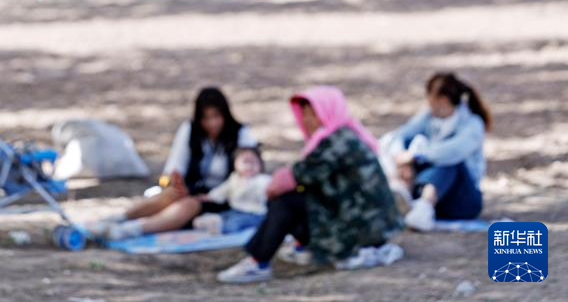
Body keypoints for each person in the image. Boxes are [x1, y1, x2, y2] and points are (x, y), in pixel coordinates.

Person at [217, 85, 401, 284]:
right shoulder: (345, 136)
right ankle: (297, 247)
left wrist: (278, 187)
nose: (307, 120)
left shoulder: (336, 142)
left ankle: (257, 261)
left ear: (329, 112)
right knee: (296, 197)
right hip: (367, 228)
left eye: (313, 114)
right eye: (304, 114)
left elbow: (293, 178)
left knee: (284, 202)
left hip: (361, 234)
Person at [101, 87, 257, 240]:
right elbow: (172, 170)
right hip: (193, 189)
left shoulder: (240, 134)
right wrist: (173, 182)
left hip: (225, 196)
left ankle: (131, 230)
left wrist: (214, 195)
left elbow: (250, 171)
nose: (212, 123)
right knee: (170, 195)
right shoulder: (190, 130)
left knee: (189, 204)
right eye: (206, 118)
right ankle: (116, 219)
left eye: (216, 116)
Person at [381, 71, 491, 232]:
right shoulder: (428, 117)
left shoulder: (472, 124)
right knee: (407, 143)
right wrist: (402, 158)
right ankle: (403, 193)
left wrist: (415, 156)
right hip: (432, 190)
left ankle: (425, 205)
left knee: (448, 161)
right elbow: (397, 136)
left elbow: (453, 151)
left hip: (462, 200)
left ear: (442, 100)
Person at [194, 146, 271, 235]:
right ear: (236, 164)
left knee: (236, 222)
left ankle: (222, 228)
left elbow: (269, 190)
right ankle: (211, 222)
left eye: (253, 162)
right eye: (245, 162)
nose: (249, 166)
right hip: (236, 210)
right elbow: (223, 190)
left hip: (254, 214)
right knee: (224, 215)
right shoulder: (234, 178)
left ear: (260, 165)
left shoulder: (262, 180)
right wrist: (210, 196)